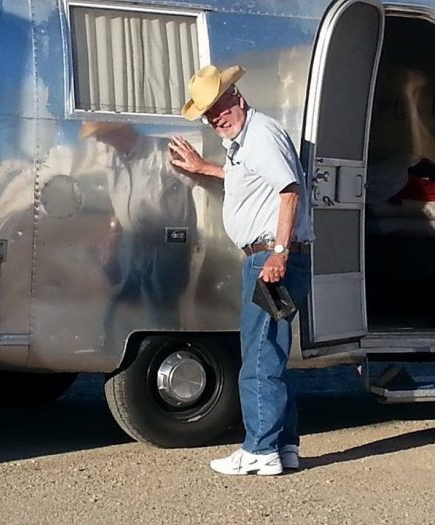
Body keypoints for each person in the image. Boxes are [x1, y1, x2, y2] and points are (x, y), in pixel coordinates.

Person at [169, 64, 314, 476]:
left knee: (259, 355)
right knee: (269, 352)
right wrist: (205, 168)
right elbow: (250, 179)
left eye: (219, 106)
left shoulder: (261, 135)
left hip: (269, 257)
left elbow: (289, 191)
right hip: (269, 256)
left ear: (238, 97)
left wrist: (279, 253)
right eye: (208, 114)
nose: (216, 118)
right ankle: (283, 446)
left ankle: (259, 450)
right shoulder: (245, 142)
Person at [79, 122, 197, 341]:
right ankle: (115, 351)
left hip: (165, 244)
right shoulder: (114, 160)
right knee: (121, 303)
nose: (99, 140)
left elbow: (197, 180)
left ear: (118, 130)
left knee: (159, 308)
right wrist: (113, 233)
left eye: (102, 135)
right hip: (131, 242)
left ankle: (162, 350)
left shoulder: (162, 151)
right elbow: (120, 200)